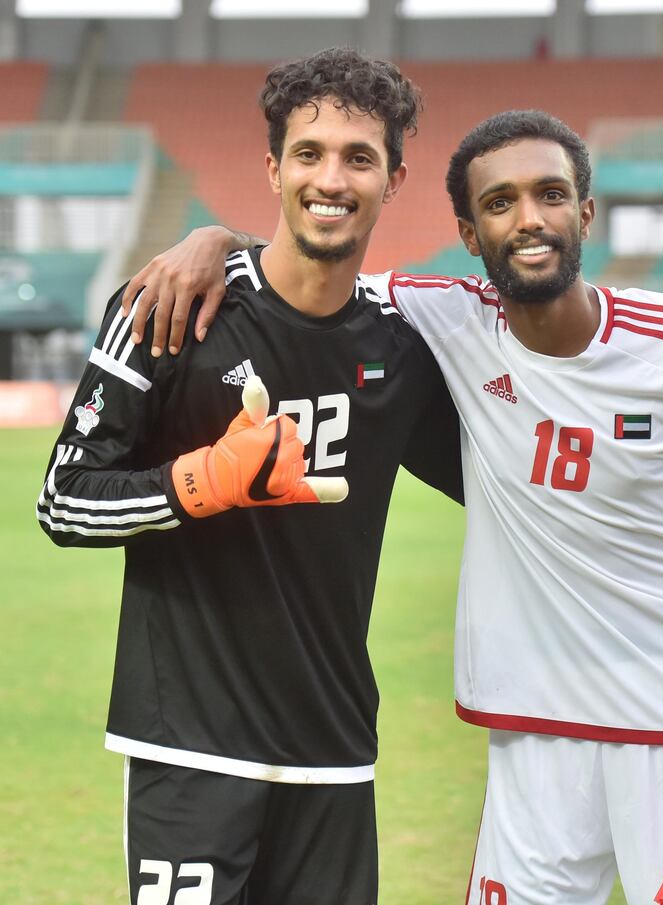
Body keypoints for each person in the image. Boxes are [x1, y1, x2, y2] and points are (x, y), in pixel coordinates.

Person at [127, 106, 663, 904]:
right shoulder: (442, 315)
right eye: (500, 202)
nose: (530, 219)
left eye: (550, 194)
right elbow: (310, 260)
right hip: (533, 732)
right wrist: (213, 239)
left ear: (585, 212)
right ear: (471, 235)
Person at [37, 48, 465, 905]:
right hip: (190, 750)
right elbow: (64, 499)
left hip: (335, 755)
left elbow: (510, 491)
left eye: (358, 156)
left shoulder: (404, 349)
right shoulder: (167, 310)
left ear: (394, 178)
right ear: (273, 168)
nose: (330, 178)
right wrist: (197, 483)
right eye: (308, 154)